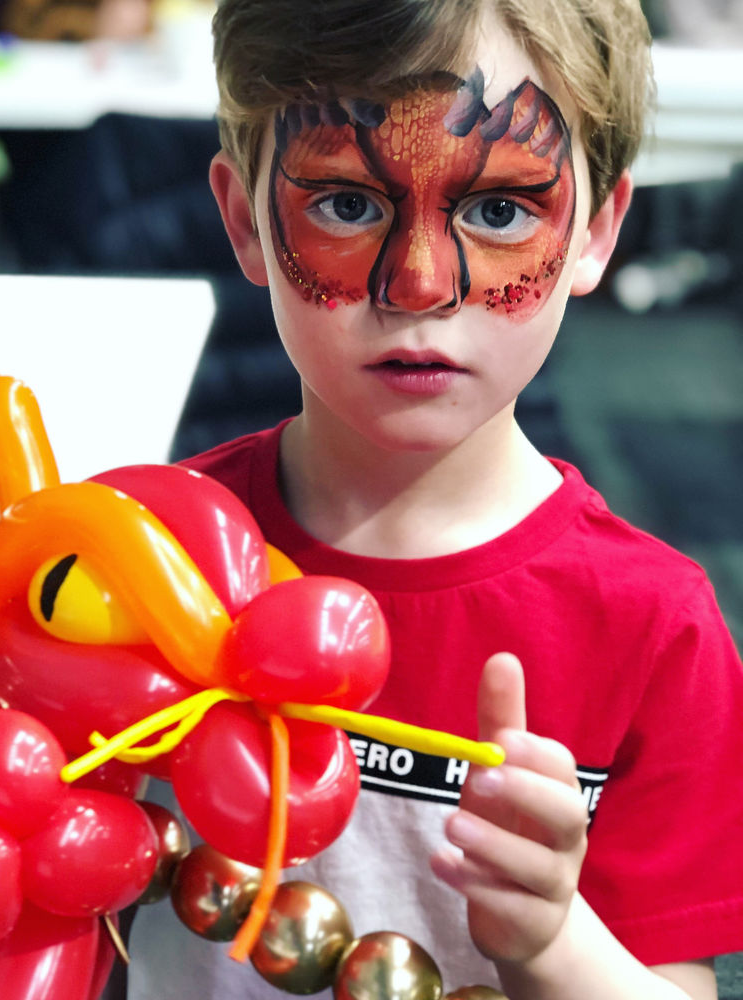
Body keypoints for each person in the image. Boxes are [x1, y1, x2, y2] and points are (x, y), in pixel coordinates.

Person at [124, 1, 743, 998]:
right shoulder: (143, 562)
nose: (417, 285)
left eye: (498, 210)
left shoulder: (653, 629)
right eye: (346, 203)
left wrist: (550, 945)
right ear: (244, 221)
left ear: (594, 232)